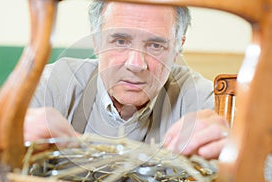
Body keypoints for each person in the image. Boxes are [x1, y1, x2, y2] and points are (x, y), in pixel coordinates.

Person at [24, 0, 229, 159]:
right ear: (96, 42)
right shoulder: (53, 84)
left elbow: (258, 173)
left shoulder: (202, 99)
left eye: (155, 45)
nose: (136, 64)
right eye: (121, 41)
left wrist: (235, 150)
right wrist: (5, 137)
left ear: (177, 48)